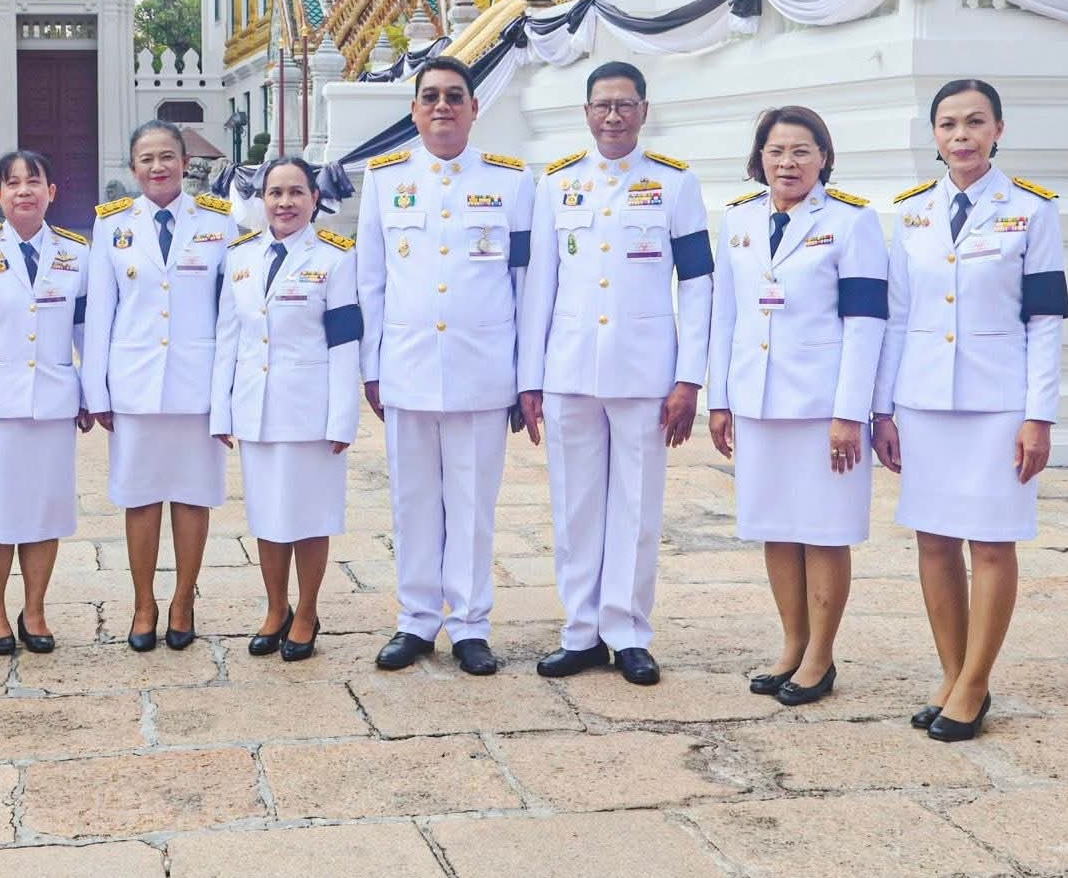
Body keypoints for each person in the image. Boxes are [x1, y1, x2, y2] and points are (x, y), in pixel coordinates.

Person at [872, 79, 1068, 742]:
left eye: (974, 123)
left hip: (996, 405)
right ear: (934, 136)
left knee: (990, 542)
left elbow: (1045, 321)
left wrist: (1038, 415)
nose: (961, 136)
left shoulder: (1033, 212)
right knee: (933, 540)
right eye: (949, 124)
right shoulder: (913, 214)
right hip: (923, 400)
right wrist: (883, 410)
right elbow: (897, 319)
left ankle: (976, 682)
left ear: (998, 130)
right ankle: (952, 676)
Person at [517, 61, 713, 686]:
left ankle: (626, 631)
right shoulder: (556, 185)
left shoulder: (676, 184)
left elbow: (700, 285)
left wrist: (689, 377)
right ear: (586, 113)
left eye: (625, 105)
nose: (613, 116)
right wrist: (530, 377)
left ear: (644, 112)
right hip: (570, 369)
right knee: (575, 504)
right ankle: (580, 631)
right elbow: (538, 287)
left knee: (636, 505)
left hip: (644, 371)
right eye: (602, 105)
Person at [357, 55, 534, 676]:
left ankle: (470, 624)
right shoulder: (384, 179)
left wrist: (525, 374)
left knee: (472, 504)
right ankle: (415, 619)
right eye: (429, 96)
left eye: (454, 96)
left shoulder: (512, 181)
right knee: (412, 501)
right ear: (413, 109)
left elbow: (526, 285)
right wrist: (370, 365)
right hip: (407, 365)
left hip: (483, 370)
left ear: (474, 108)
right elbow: (370, 280)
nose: (441, 107)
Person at [708, 106, 888, 707]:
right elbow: (725, 317)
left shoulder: (853, 223)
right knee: (775, 529)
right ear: (759, 157)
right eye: (776, 151)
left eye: (801, 151)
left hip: (820, 408)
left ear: (825, 158)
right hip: (757, 400)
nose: (787, 163)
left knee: (823, 531)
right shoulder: (736, 221)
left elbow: (865, 324)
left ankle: (820, 657)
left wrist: (849, 412)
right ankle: (791, 643)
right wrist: (722, 399)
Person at [83, 119, 239, 651]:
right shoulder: (112, 225)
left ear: (185, 163)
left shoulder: (220, 222)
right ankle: (144, 601)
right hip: (135, 385)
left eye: (167, 157)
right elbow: (100, 313)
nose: (158, 167)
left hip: (198, 385)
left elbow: (231, 315)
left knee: (194, 498)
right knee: (141, 499)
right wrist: (95, 391)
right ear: (133, 168)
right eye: (147, 159)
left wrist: (229, 394)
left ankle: (184, 600)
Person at [210, 158, 362, 661]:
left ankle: (307, 611)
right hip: (255, 407)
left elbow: (344, 344)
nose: (285, 203)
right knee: (268, 516)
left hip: (310, 411)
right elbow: (227, 338)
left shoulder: (336, 258)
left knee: (310, 516)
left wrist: (343, 417)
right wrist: (221, 411)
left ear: (315, 200)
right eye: (275, 193)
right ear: (262, 200)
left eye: (297, 193)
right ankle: (275, 608)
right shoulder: (240, 257)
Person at [0, 151, 92, 656]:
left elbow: (85, 332)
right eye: (14, 183)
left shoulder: (77, 253)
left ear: (52, 192)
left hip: (52, 403)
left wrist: (91, 394)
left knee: (43, 512)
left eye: (35, 182)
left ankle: (34, 610)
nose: (24, 191)